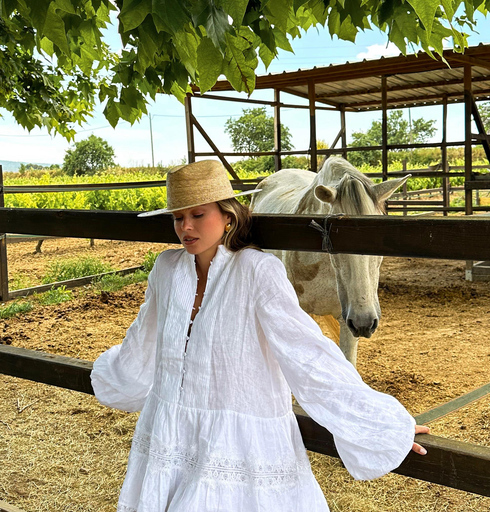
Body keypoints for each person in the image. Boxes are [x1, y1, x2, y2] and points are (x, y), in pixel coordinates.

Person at [91, 160, 429, 512]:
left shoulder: (258, 271)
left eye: (198, 215)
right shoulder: (166, 269)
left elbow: (306, 353)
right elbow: (143, 341)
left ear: (228, 216)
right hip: (167, 434)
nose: (186, 227)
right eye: (178, 217)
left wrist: (379, 425)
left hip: (236, 444)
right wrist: (111, 374)